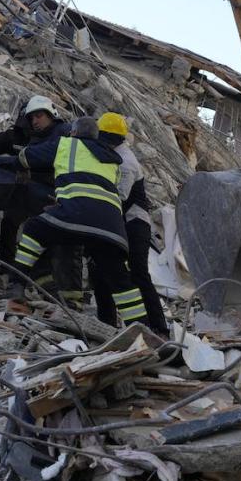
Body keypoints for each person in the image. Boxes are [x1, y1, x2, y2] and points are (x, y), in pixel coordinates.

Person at [0, 116, 148, 328]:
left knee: (34, 228)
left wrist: (10, 161)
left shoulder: (64, 143)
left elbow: (27, 157)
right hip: (112, 228)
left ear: (73, 133)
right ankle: (140, 327)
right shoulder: (113, 159)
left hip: (76, 213)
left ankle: (16, 286)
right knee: (121, 281)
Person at [0, 95, 71, 267]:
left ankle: (35, 277)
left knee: (42, 235)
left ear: (51, 114)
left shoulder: (64, 132)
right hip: (33, 192)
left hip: (55, 194)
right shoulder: (34, 137)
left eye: (39, 116)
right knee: (10, 220)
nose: (34, 121)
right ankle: (7, 267)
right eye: (31, 118)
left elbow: (42, 158)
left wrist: (22, 163)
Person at [96, 112, 167, 333]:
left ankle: (159, 328)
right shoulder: (112, 154)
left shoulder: (126, 162)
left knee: (138, 273)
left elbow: (119, 199)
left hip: (134, 223)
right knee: (101, 271)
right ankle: (105, 324)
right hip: (121, 221)